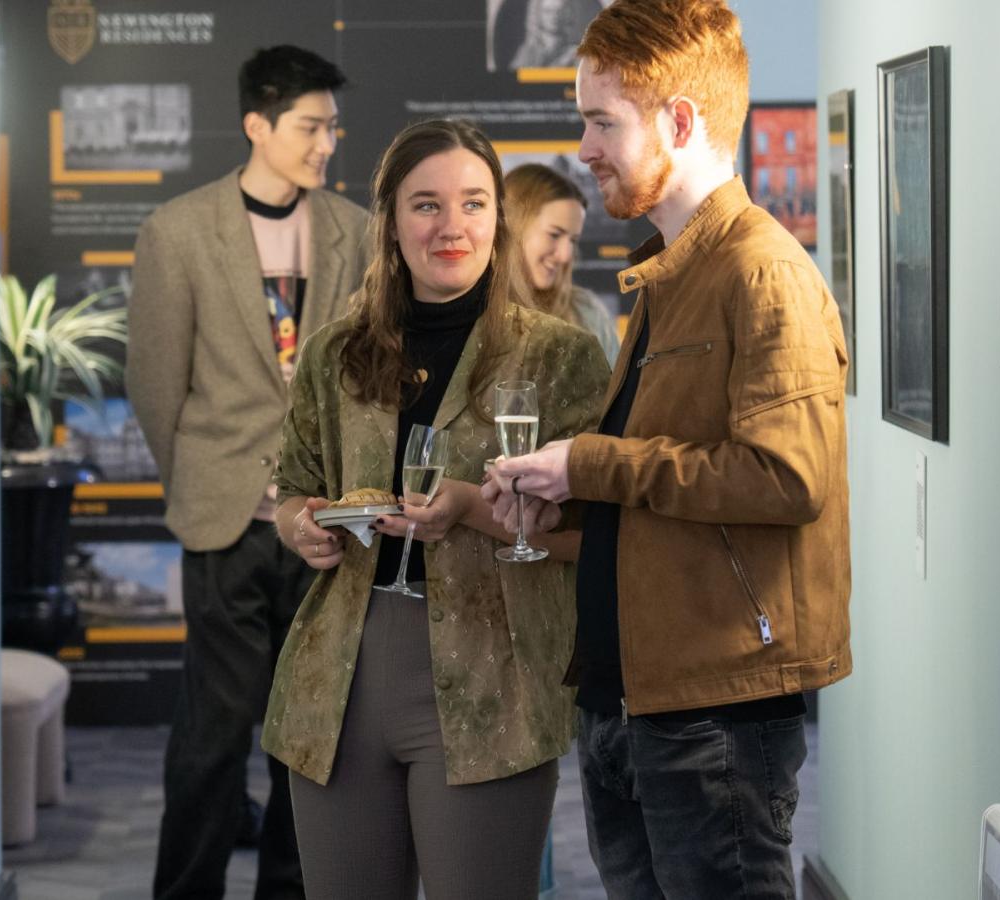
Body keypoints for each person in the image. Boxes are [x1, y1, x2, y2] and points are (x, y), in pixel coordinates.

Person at [488, 1, 853, 897]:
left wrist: (588, 464)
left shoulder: (761, 274)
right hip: (635, 699)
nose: (583, 147)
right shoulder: (671, 272)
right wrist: (561, 497)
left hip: (713, 713)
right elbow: (673, 472)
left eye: (601, 121)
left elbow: (786, 476)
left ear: (679, 121)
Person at [262, 118, 609, 900]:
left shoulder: (561, 357)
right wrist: (301, 527)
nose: (451, 225)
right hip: (339, 681)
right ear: (389, 223)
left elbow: (598, 535)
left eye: (473, 203)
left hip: (495, 676)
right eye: (426, 205)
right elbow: (293, 488)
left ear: (499, 219)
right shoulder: (333, 352)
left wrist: (470, 511)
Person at [125, 45, 370, 900]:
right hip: (225, 519)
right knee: (212, 734)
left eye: (332, 127)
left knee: (308, 738)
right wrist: (203, 477)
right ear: (257, 125)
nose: (326, 143)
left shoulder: (354, 230)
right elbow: (156, 384)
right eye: (310, 126)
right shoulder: (179, 231)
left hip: (325, 526)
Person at [503, 162, 621, 364]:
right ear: (513, 228)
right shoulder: (470, 315)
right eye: (554, 235)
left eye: (573, 240)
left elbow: (624, 392)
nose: (566, 255)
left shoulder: (588, 313)